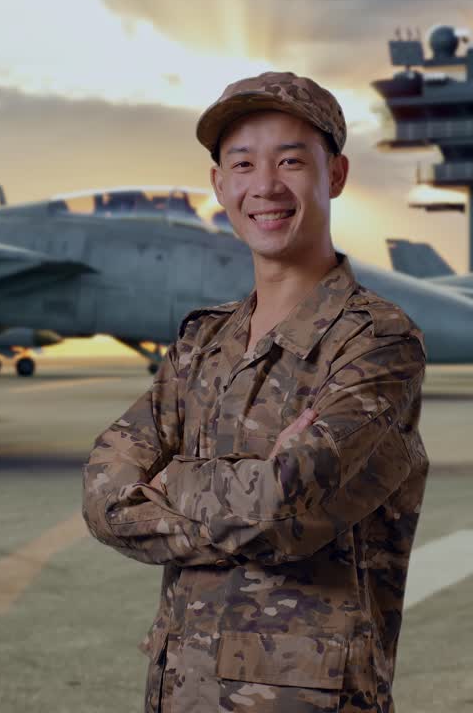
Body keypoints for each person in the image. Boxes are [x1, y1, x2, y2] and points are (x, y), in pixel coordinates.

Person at [82, 71, 429, 713]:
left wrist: (169, 482)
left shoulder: (378, 341)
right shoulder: (204, 343)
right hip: (180, 691)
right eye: (242, 164)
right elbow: (104, 495)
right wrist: (247, 500)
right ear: (219, 185)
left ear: (336, 175)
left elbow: (278, 505)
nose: (265, 186)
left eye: (290, 161)